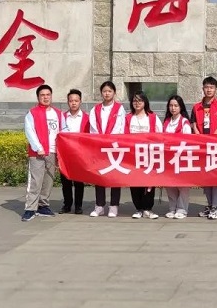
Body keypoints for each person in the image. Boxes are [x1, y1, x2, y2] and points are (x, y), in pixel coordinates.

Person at [21, 84, 67, 222]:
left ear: (51, 96)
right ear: (38, 97)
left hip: (53, 151)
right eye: (42, 95)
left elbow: (64, 131)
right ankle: (30, 208)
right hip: (38, 153)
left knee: (48, 180)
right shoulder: (32, 113)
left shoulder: (58, 113)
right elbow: (29, 131)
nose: (45, 97)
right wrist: (38, 147)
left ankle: (43, 205)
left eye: (48, 95)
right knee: (36, 181)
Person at [190, 76, 217, 220]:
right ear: (203, 88)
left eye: (212, 87)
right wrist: (201, 139)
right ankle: (209, 204)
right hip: (202, 147)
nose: (209, 90)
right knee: (206, 177)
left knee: (216, 178)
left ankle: (215, 207)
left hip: (215, 146)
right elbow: (194, 125)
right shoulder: (196, 107)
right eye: (206, 87)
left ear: (215, 89)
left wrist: (212, 140)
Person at [89, 81, 126, 218]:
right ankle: (99, 205)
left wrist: (111, 140)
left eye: (109, 91)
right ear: (101, 93)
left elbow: (120, 127)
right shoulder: (95, 109)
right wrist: (100, 141)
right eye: (104, 91)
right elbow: (93, 127)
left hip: (114, 147)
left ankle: (114, 205)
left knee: (115, 176)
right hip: (99, 147)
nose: (107, 93)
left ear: (114, 93)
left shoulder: (119, 109)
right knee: (99, 175)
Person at [125, 91, 163, 219]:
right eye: (134, 101)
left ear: (145, 102)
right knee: (135, 181)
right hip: (132, 155)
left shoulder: (152, 117)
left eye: (140, 100)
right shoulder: (128, 117)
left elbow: (160, 134)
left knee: (149, 182)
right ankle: (138, 208)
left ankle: (148, 208)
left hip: (149, 155)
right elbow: (122, 135)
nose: (137, 103)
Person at [163, 95, 192, 219]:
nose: (173, 108)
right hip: (168, 158)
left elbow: (187, 141)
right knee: (170, 184)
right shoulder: (166, 122)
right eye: (171, 105)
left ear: (181, 107)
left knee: (182, 185)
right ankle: (172, 207)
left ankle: (182, 209)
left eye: (176, 105)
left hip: (181, 158)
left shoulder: (184, 122)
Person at [60, 88, 89, 214]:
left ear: (80, 101)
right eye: (71, 101)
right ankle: (67, 205)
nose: (73, 103)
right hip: (65, 154)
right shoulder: (62, 117)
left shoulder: (87, 118)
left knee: (78, 181)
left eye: (76, 101)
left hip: (80, 154)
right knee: (65, 181)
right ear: (68, 102)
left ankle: (78, 206)